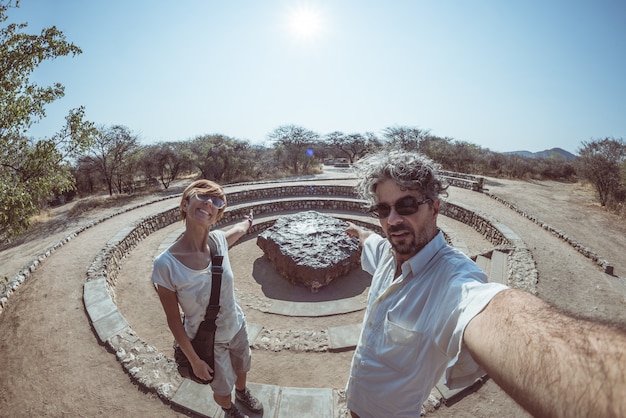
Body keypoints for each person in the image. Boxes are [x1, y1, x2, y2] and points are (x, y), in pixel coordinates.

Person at [344, 149, 626, 418]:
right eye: (382, 209)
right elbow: (370, 240)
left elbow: (495, 316)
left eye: (406, 205)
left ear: (435, 207)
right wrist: (355, 231)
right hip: (354, 405)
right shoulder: (384, 253)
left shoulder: (454, 281)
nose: (393, 219)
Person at [152, 179, 262, 418]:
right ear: (184, 203)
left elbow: (240, 230)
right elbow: (172, 320)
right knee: (221, 389)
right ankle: (229, 408)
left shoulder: (219, 241)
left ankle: (242, 392)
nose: (209, 204)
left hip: (236, 325)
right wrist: (194, 361)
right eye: (202, 196)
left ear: (217, 215)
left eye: (217, 201)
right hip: (209, 341)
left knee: (243, 367)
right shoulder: (165, 265)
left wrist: (249, 221)